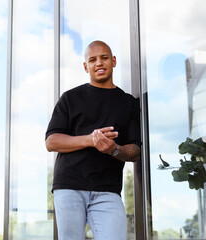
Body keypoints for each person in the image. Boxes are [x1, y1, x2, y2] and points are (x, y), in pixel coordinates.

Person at [45, 40, 141, 240]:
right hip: (69, 186)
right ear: (85, 66)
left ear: (113, 61)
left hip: (108, 190)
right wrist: (90, 140)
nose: (99, 63)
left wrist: (114, 150)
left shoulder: (129, 103)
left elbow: (135, 150)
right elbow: (51, 141)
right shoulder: (70, 98)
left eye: (104, 58)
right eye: (92, 59)